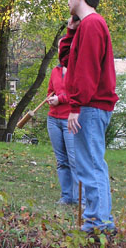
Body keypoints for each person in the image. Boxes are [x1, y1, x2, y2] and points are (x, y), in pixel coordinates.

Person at [60, 0, 118, 233]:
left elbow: (87, 70)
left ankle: (99, 224)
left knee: (92, 165)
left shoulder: (94, 24)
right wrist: (71, 31)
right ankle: (98, 221)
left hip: (91, 107)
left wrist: (76, 106)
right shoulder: (85, 27)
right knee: (89, 164)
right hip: (89, 105)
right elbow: (67, 61)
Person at [46, 37, 83, 205]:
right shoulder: (55, 70)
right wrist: (50, 98)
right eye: (61, 47)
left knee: (74, 159)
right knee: (62, 161)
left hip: (70, 119)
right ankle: (66, 196)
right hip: (53, 119)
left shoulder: (78, 70)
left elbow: (79, 93)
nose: (62, 50)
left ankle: (78, 198)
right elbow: (50, 90)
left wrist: (60, 99)